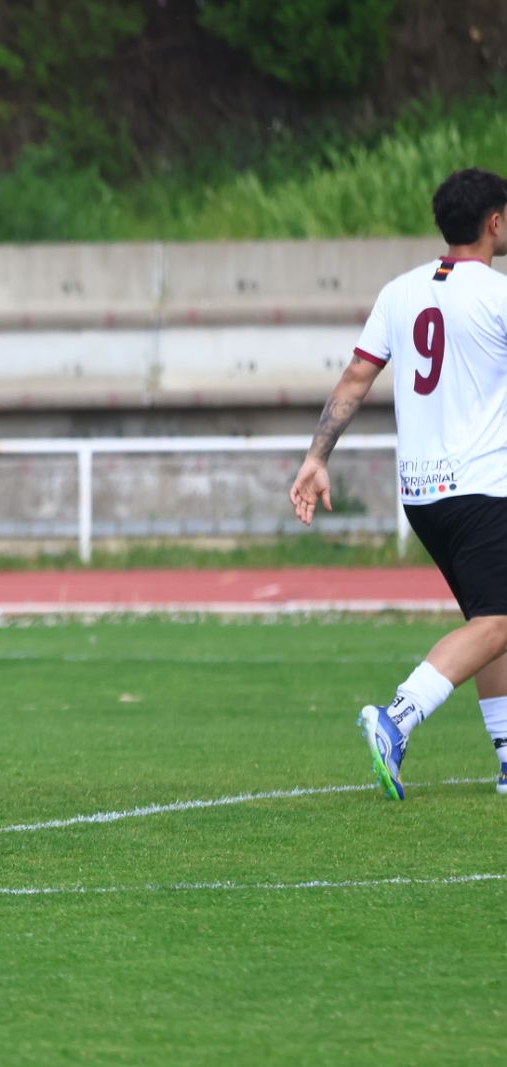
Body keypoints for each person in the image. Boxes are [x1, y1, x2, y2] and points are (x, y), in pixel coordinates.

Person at [291, 167, 507, 800]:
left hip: (422, 495)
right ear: (494, 221)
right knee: (497, 621)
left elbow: (356, 379)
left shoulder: (400, 291)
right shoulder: (497, 296)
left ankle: (504, 755)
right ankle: (397, 716)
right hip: (481, 488)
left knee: (489, 618)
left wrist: (316, 457)